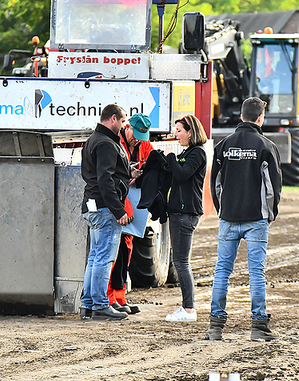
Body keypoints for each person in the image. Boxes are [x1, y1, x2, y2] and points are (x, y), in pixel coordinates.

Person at [207, 97, 282, 341]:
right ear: (261, 118)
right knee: (256, 272)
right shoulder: (266, 146)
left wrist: (222, 209)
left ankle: (215, 328)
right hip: (256, 219)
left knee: (222, 271)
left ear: (241, 116)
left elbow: (215, 184)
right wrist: (271, 213)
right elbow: (273, 186)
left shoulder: (224, 145)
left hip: (228, 217)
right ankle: (258, 327)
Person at [80, 104, 138, 321]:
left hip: (92, 205)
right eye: (122, 121)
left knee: (95, 257)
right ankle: (100, 305)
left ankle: (88, 305)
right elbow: (105, 179)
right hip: (104, 207)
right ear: (113, 119)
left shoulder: (94, 140)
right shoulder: (106, 143)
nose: (123, 126)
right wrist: (118, 210)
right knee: (104, 258)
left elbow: (103, 175)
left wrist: (127, 171)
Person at [107, 112, 154, 315]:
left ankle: (120, 296)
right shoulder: (115, 144)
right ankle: (110, 298)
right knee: (112, 252)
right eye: (135, 134)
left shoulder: (145, 146)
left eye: (141, 137)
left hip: (133, 208)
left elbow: (152, 167)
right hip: (118, 205)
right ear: (127, 127)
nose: (137, 140)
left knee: (126, 251)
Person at [163, 114, 208, 322]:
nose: (176, 134)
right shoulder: (189, 152)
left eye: (179, 131)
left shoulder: (197, 153)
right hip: (180, 212)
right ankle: (187, 307)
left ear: (191, 132)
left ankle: (189, 309)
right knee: (180, 261)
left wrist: (170, 156)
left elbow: (182, 175)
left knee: (181, 262)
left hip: (185, 213)